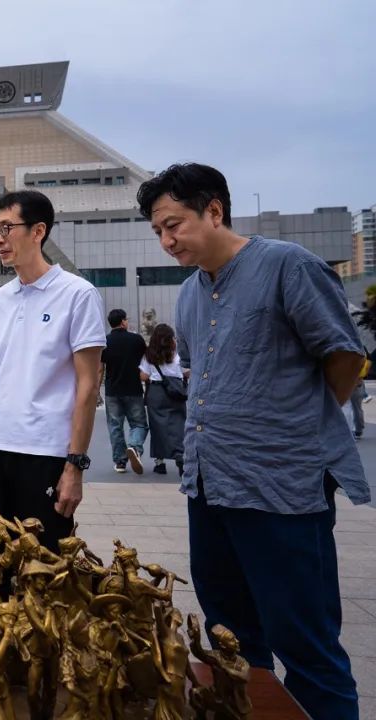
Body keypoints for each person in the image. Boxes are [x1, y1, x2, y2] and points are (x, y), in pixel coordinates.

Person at [137, 162, 366, 719]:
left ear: (214, 210)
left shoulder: (287, 266)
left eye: (174, 225)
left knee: (306, 644)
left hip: (280, 492)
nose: (167, 241)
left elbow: (346, 357)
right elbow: (196, 376)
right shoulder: (191, 295)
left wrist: (288, 426)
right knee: (231, 640)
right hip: (209, 490)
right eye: (158, 232)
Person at [0, 190, 105, 552]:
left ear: (38, 230)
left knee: (44, 567)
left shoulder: (78, 295)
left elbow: (88, 387)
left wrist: (75, 467)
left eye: (7, 228)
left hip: (45, 454)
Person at [100, 308, 149, 473]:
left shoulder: (104, 341)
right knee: (139, 424)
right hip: (133, 389)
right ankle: (134, 446)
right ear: (122, 322)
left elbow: (100, 369)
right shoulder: (136, 340)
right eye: (126, 319)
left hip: (112, 390)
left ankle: (120, 462)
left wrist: (95, 390)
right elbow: (146, 361)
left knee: (115, 426)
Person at [139, 323, 189, 475]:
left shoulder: (149, 354)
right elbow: (187, 372)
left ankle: (159, 463)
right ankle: (180, 456)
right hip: (177, 392)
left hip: (156, 392)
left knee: (158, 426)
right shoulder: (178, 352)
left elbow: (144, 376)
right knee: (179, 424)